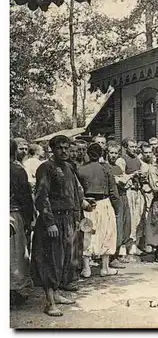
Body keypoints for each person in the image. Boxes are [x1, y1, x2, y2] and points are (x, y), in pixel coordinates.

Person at [31, 135, 92, 317]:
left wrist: (83, 206)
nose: (64, 151)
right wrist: (49, 222)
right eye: (60, 148)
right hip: (53, 222)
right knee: (51, 260)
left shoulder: (68, 167)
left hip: (68, 220)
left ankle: (57, 294)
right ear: (52, 149)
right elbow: (42, 197)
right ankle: (50, 303)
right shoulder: (46, 168)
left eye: (66, 148)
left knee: (64, 259)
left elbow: (74, 193)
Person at [77, 144, 120, 278]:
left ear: (88, 154)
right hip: (104, 203)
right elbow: (113, 191)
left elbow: (78, 190)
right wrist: (117, 208)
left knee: (88, 234)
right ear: (102, 153)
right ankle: (104, 268)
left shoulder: (81, 169)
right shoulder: (106, 168)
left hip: (88, 204)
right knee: (107, 233)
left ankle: (86, 268)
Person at [10, 140, 34, 307]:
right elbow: (24, 197)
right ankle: (13, 290)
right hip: (12, 213)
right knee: (15, 253)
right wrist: (28, 218)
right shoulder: (17, 170)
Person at [116, 137, 146, 256]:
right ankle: (124, 245)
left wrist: (142, 175)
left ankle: (134, 244)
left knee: (138, 217)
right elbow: (121, 178)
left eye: (135, 146)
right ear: (125, 148)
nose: (134, 149)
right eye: (131, 147)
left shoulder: (138, 160)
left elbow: (145, 169)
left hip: (138, 190)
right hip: (128, 191)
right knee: (128, 219)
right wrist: (132, 175)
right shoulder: (121, 160)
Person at [106, 141, 133, 267]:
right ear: (107, 153)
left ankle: (118, 254)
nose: (113, 155)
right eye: (111, 153)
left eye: (116, 153)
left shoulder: (117, 167)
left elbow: (125, 183)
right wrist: (127, 178)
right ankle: (112, 258)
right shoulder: (105, 167)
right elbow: (119, 182)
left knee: (124, 225)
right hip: (113, 199)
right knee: (115, 227)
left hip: (123, 197)